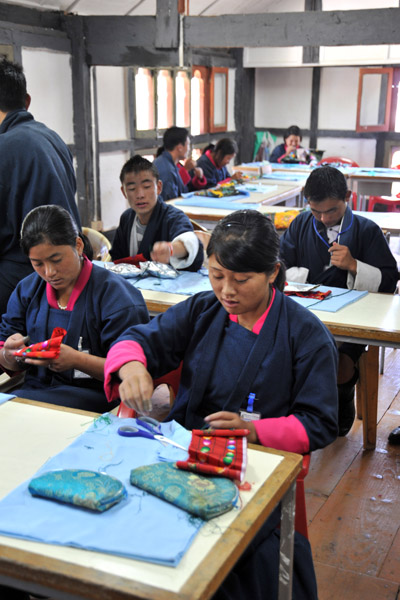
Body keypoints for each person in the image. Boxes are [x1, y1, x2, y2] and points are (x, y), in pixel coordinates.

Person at [104, 209, 339, 600]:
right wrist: (131, 368)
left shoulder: (305, 336)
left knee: (227, 572)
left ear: (273, 273)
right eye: (216, 276)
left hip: (255, 465)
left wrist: (255, 430)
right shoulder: (203, 311)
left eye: (241, 279)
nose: (227, 290)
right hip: (185, 452)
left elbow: (320, 422)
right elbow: (139, 338)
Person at [280, 166, 399, 436]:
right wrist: (305, 276)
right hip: (306, 314)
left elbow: (390, 279)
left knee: (340, 358)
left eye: (331, 210)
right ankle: (296, 408)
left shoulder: (366, 231)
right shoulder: (300, 224)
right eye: (315, 211)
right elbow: (279, 265)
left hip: (355, 317)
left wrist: (355, 265)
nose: (323, 218)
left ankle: (342, 395)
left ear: (347, 197)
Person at [0, 205, 149, 413]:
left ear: (78, 245)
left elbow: (130, 370)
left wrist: (77, 360)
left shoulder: (116, 298)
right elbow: (7, 354)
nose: (49, 272)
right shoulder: (27, 290)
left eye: (56, 260)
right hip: (34, 395)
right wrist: (10, 355)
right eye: (38, 264)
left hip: (95, 402)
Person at [0, 58, 81, 316]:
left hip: (23, 276)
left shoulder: (4, 148)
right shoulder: (53, 138)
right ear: (27, 101)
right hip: (68, 267)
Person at [110, 155, 203, 272]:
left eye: (146, 186)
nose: (140, 194)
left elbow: (189, 241)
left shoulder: (173, 217)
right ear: (124, 192)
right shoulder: (126, 218)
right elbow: (116, 259)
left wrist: (171, 249)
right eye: (132, 189)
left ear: (158, 187)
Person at [153, 126, 206, 201]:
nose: (189, 149)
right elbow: (169, 203)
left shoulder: (165, 162)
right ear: (180, 147)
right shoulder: (167, 170)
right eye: (188, 145)